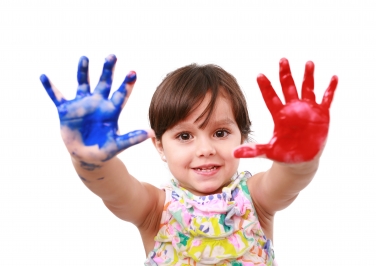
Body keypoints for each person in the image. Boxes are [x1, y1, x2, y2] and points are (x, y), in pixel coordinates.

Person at [40, 54, 338, 266]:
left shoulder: (256, 198)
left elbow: (289, 181)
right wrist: (92, 162)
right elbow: (112, 188)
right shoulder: (153, 208)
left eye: (220, 132)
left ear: (242, 135)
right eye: (185, 136)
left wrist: (301, 159)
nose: (205, 148)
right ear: (159, 145)